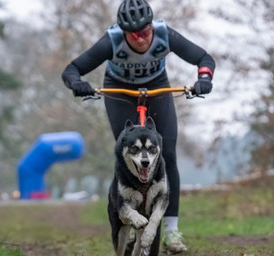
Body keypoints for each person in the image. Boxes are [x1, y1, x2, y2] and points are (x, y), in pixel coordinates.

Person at [62, 0, 215, 254]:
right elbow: (72, 69)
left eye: (144, 32)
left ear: (151, 27)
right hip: (119, 90)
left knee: (166, 155)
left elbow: (203, 58)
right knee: (129, 155)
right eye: (132, 35)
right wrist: (77, 83)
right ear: (123, 32)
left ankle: (171, 230)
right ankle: (129, 217)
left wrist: (203, 78)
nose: (140, 39)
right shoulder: (111, 41)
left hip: (157, 88)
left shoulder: (165, 34)